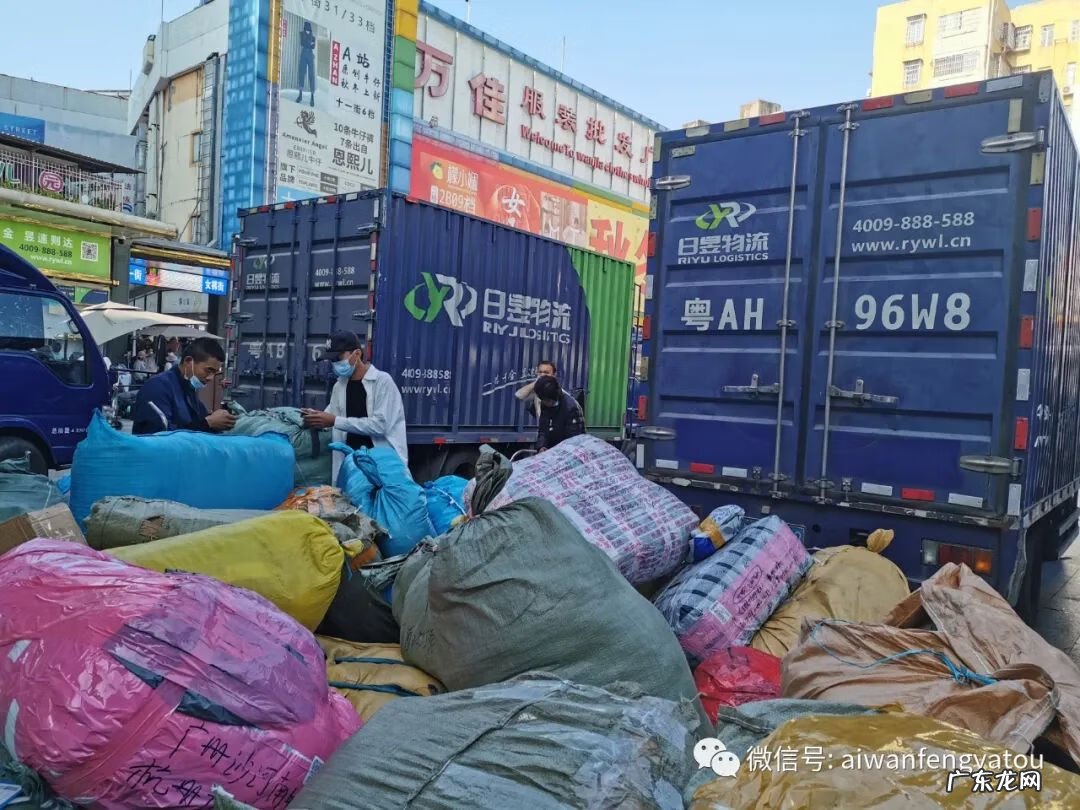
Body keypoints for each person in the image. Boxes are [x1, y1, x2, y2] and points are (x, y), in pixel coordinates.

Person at [301, 331, 408, 482]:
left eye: (338, 358)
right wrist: (315, 417)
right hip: (352, 470)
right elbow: (331, 415)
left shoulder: (382, 382)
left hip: (380, 469)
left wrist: (334, 421)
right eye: (332, 361)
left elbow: (380, 425)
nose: (335, 364)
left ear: (357, 354)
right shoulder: (340, 385)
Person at [132, 337, 236, 435]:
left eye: (215, 373)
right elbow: (160, 436)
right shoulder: (157, 388)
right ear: (188, 362)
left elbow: (196, 422)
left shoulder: (188, 388)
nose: (211, 378)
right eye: (208, 370)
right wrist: (208, 423)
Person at [533, 375, 585, 452]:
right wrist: (541, 446)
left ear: (550, 399)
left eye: (543, 399)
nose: (541, 401)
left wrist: (558, 452)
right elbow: (543, 429)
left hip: (568, 452)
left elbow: (574, 439)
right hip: (551, 451)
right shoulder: (545, 405)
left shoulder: (571, 407)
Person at [297, 21, 316, 106]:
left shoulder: (313, 37)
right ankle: (300, 94)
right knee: (301, 73)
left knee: (311, 75)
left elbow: (313, 46)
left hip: (309, 55)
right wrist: (309, 43)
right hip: (304, 53)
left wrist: (309, 43)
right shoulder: (302, 34)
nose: (308, 30)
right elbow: (303, 43)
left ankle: (312, 97)